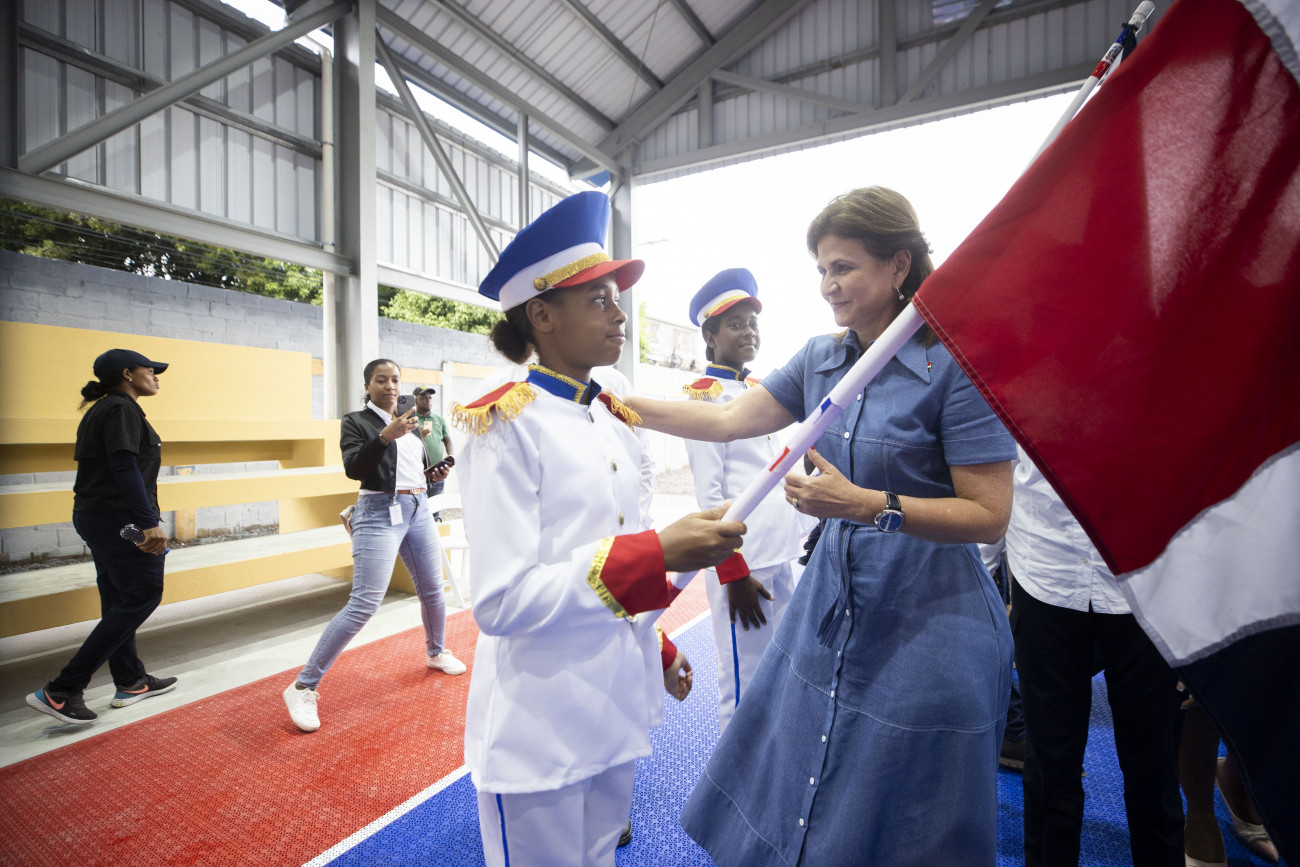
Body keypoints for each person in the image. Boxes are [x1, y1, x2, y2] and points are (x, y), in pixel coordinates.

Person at [626, 186, 1017, 866]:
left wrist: (866, 504)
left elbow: (989, 514)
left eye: (843, 267)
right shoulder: (821, 359)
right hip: (834, 599)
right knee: (805, 763)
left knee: (904, 797)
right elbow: (727, 419)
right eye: (821, 270)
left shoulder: (957, 365)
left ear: (899, 265)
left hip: (930, 610)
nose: (828, 285)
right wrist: (617, 401)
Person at [453, 190, 745, 867]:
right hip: (539, 719)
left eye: (616, 299)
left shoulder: (611, 418)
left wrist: (657, 642)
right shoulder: (504, 425)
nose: (619, 316)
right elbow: (500, 600)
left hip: (613, 698)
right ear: (542, 314)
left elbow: (603, 543)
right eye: (599, 300)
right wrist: (658, 551)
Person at [1005, 449, 1184, 867]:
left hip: (1149, 577)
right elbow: (1003, 462)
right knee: (1049, 773)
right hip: (1045, 569)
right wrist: (984, 572)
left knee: (1155, 775)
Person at [282, 358, 465, 733]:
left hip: (417, 508)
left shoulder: (409, 422)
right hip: (379, 512)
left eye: (395, 379)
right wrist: (385, 436)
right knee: (365, 601)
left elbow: (406, 473)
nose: (390, 386)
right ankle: (302, 686)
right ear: (367, 386)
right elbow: (355, 468)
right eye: (381, 380)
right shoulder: (357, 421)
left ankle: (436, 652)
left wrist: (433, 475)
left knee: (433, 589)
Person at [681, 267, 805, 731]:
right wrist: (732, 572)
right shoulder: (703, 400)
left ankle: (770, 764)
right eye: (736, 324)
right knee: (744, 680)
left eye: (753, 323)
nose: (749, 331)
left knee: (781, 669)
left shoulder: (758, 393)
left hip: (779, 551)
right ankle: (733, 774)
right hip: (743, 562)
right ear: (710, 336)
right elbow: (710, 497)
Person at [26, 349, 178, 724]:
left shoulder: (106, 409)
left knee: (118, 599)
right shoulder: (121, 409)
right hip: (120, 519)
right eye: (150, 370)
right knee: (143, 594)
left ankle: (131, 680)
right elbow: (124, 467)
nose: (156, 376)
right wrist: (147, 522)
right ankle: (62, 690)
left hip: (99, 516)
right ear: (127, 374)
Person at [412, 386, 453, 518]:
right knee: (417, 512)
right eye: (424, 397)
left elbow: (447, 440)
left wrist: (451, 456)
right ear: (416, 400)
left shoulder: (439, 420)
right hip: (416, 474)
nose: (428, 400)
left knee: (435, 510)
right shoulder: (410, 420)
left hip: (437, 473)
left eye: (430, 397)